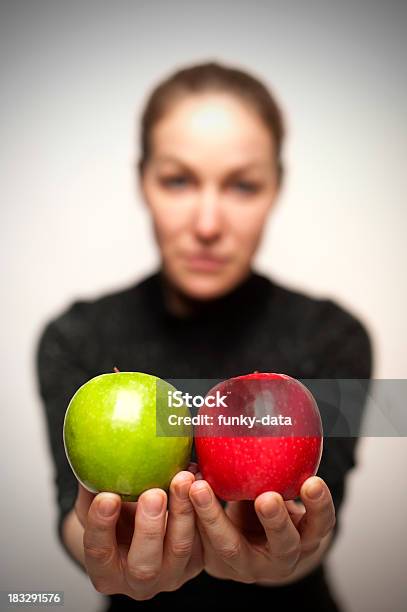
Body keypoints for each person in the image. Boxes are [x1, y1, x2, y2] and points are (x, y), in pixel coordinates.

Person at [35, 61, 373, 611]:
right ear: (142, 181)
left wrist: (291, 552)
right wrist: (100, 551)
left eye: (242, 185)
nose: (209, 223)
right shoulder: (76, 336)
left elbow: (317, 519)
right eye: (178, 180)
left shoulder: (333, 336)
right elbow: (71, 512)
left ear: (276, 190)